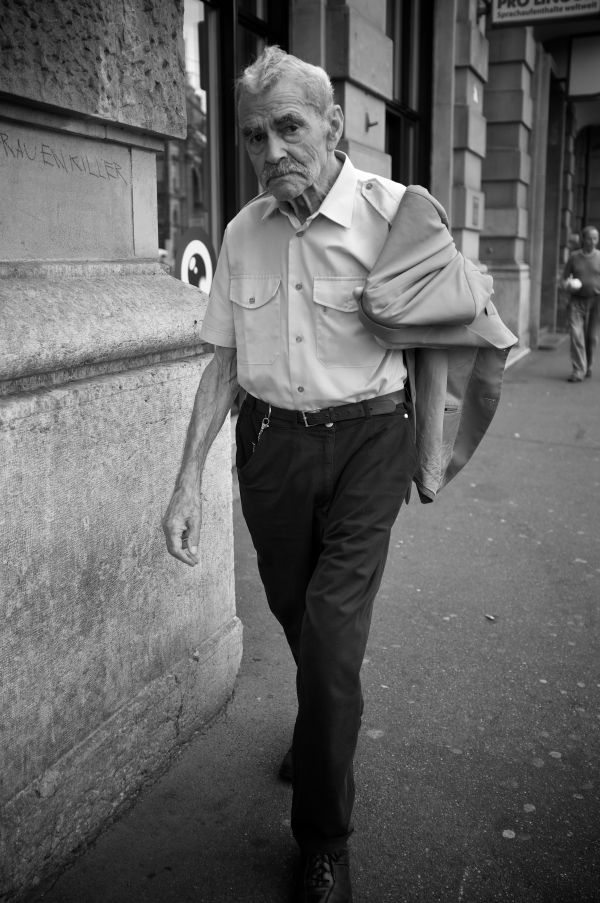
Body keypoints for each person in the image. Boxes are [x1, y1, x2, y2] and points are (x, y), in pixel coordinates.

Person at [162, 46, 512, 903]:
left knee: (329, 632)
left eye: (288, 126)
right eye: (253, 135)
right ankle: (321, 725)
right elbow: (222, 366)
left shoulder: (396, 215)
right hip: (271, 450)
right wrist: (183, 483)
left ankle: (324, 838)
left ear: (333, 124)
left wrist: (442, 440)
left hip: (367, 444)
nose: (272, 148)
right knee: (296, 614)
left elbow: (473, 323)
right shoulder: (243, 233)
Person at [562, 225, 600, 382]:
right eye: (589, 238)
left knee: (591, 337)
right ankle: (579, 370)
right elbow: (564, 279)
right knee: (576, 335)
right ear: (582, 239)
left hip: (596, 301)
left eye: (595, 238)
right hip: (576, 302)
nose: (592, 241)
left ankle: (588, 366)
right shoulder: (574, 257)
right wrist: (568, 285)